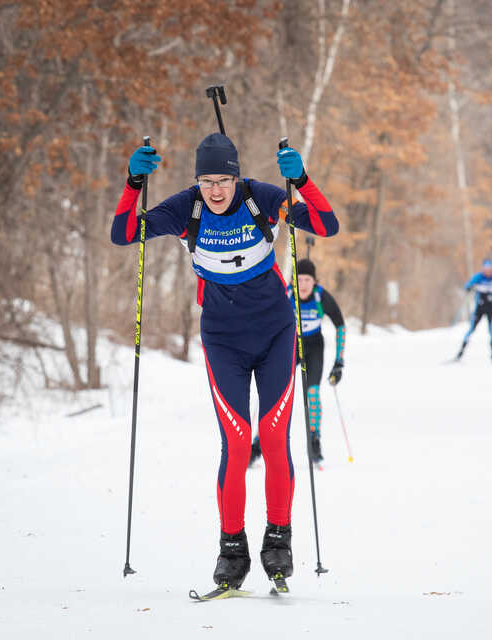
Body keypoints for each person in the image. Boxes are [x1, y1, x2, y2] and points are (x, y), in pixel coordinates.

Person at [110, 133, 338, 591]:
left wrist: (303, 180)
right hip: (222, 341)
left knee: (274, 438)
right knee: (236, 445)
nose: (216, 190)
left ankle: (279, 540)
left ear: (237, 177)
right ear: (198, 180)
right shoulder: (186, 209)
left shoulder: (261, 200)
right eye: (207, 180)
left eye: (225, 180)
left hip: (276, 333)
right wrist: (134, 180)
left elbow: (325, 224)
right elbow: (125, 233)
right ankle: (231, 550)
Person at [249, 258, 345, 466]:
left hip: (313, 348)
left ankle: (314, 440)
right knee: (276, 393)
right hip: (289, 346)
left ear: (315, 281)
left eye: (307, 280)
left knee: (312, 392)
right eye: (299, 279)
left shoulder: (321, 296)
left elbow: (340, 325)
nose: (303, 284)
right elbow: (265, 318)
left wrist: (339, 361)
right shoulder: (286, 293)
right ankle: (258, 443)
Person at [455, 259, 492, 363]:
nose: (487, 272)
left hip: (491, 308)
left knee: (491, 330)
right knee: (471, 329)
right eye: (485, 269)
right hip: (479, 308)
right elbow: (468, 284)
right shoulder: (479, 277)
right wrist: (469, 287)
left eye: (489, 269)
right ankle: (460, 353)